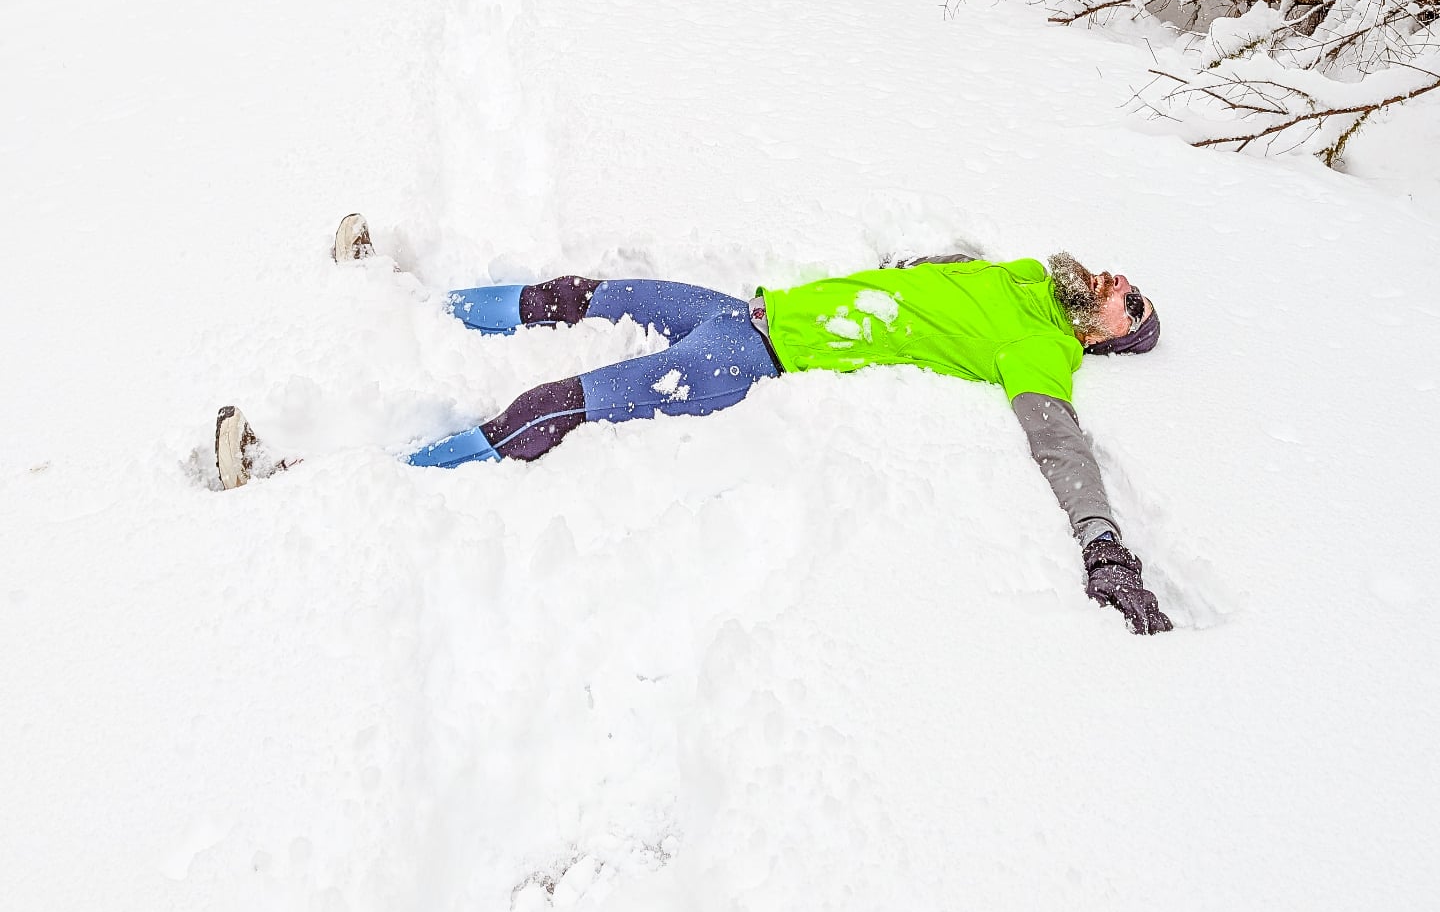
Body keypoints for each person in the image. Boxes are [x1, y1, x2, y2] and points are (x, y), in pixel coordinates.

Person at [215, 215, 1172, 634]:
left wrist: (1106, 552)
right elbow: (919, 272)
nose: (1120, 284)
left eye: (1131, 306)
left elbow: (1063, 452)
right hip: (750, 307)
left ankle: (308, 470)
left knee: (558, 403)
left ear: (1107, 339)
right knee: (581, 290)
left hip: (749, 359)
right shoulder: (1013, 273)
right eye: (1128, 280)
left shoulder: (1047, 355)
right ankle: (411, 294)